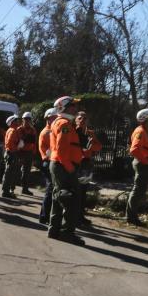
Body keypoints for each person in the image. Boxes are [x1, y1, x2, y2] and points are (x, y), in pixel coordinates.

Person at [48, 96, 85, 246]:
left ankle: (54, 229)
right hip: (64, 166)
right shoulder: (64, 124)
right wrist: (70, 168)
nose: (75, 109)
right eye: (72, 106)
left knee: (59, 198)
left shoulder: (65, 123)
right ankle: (67, 233)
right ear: (63, 108)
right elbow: (62, 150)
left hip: (61, 165)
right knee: (71, 199)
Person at [75, 111, 102, 227]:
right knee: (76, 192)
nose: (83, 120)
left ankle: (80, 216)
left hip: (86, 166)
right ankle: (74, 217)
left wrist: (89, 150)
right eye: (80, 118)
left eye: (85, 118)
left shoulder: (90, 133)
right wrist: (84, 151)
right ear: (76, 119)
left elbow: (98, 146)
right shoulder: (73, 132)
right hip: (75, 164)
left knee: (83, 191)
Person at [38, 107, 57, 224]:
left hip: (50, 161)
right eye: (54, 118)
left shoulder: (52, 131)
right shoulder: (46, 133)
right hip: (48, 162)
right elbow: (46, 150)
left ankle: (46, 216)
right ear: (48, 119)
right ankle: (44, 216)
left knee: (51, 190)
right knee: (50, 190)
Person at [14, 111, 37, 195]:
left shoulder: (33, 130)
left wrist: (34, 153)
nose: (27, 121)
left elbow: (34, 143)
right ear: (23, 120)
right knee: (15, 169)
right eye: (25, 119)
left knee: (27, 171)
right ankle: (11, 187)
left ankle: (25, 188)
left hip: (29, 152)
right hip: (20, 152)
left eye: (29, 119)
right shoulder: (19, 129)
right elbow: (18, 141)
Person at [1, 114, 21, 198]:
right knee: (9, 173)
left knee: (9, 172)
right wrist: (16, 147)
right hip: (11, 153)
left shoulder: (12, 130)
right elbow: (10, 143)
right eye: (16, 120)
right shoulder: (12, 130)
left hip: (11, 153)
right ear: (12, 122)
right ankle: (6, 191)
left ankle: (7, 190)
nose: (18, 121)